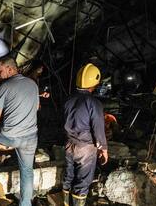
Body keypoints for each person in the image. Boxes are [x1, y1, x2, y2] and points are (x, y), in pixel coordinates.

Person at [0, 56, 39, 206]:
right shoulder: (33, 84)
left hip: (11, 137)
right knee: (27, 171)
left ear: (10, 69)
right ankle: (25, 203)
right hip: (31, 137)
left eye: (0, 71)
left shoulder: (4, 87)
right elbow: (37, 107)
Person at [62, 63, 108, 206]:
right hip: (86, 148)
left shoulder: (69, 100)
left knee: (68, 178)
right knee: (82, 183)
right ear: (93, 83)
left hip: (69, 144)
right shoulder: (94, 103)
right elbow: (98, 129)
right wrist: (103, 149)